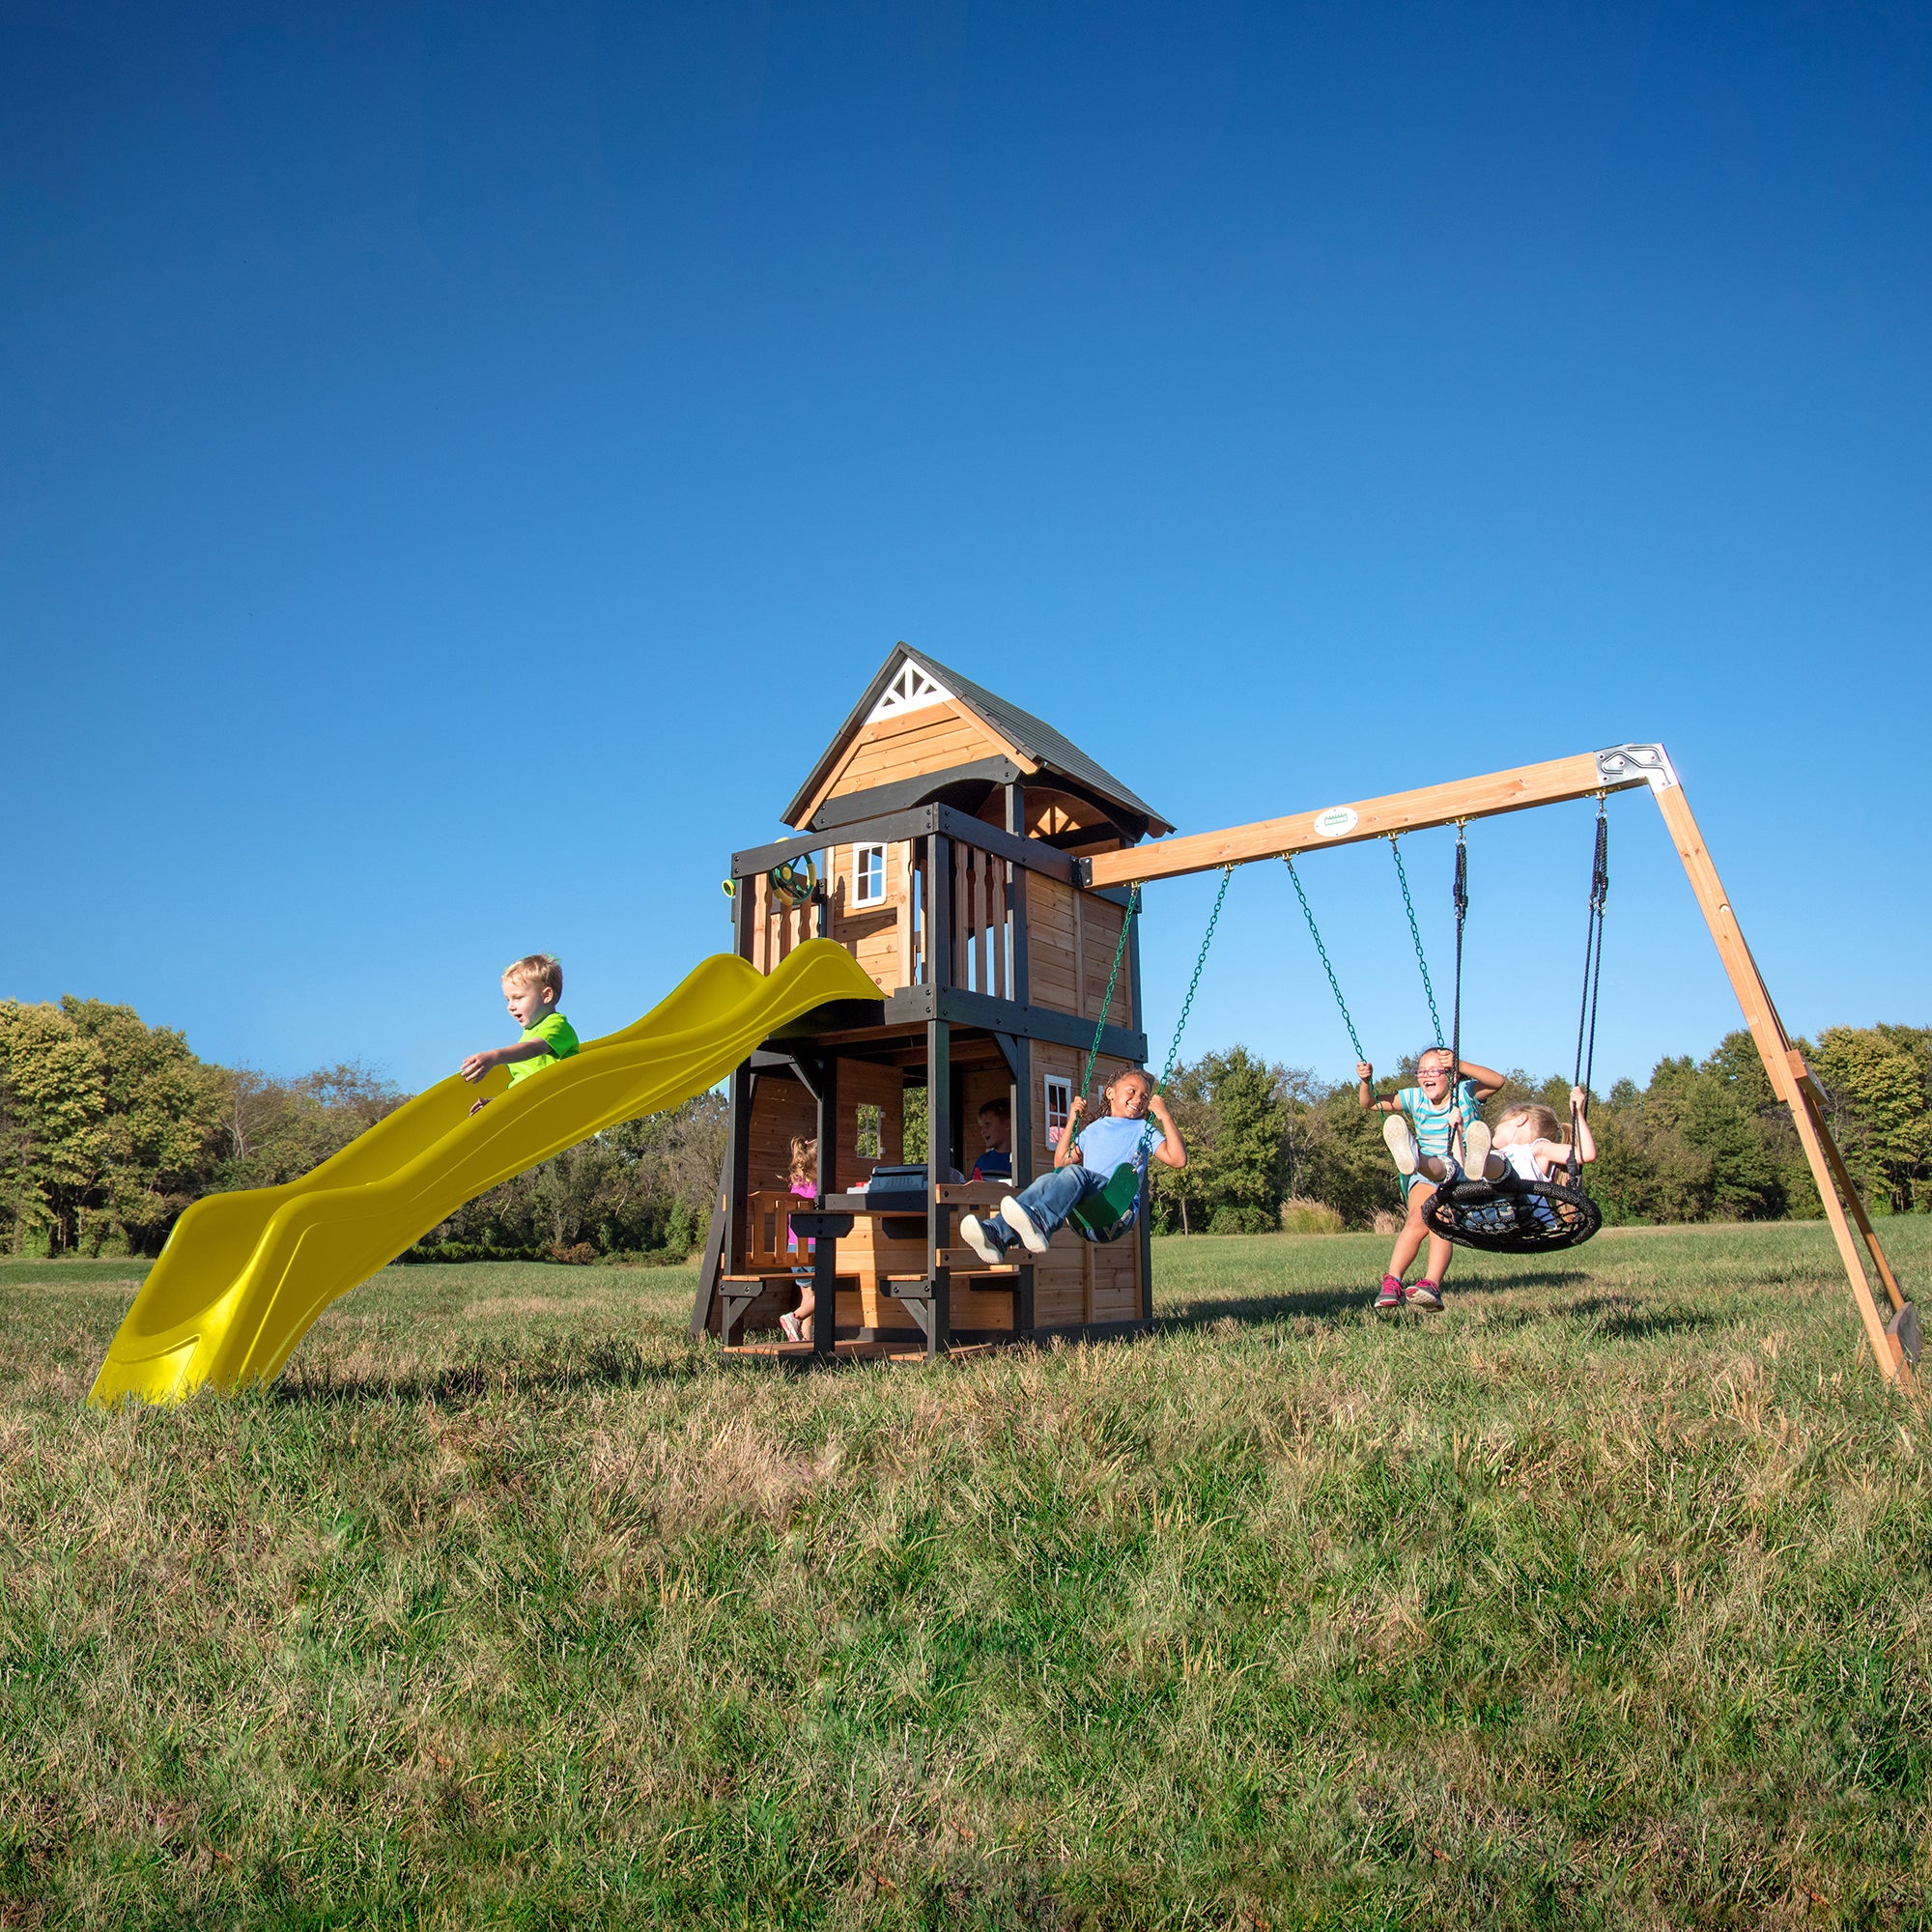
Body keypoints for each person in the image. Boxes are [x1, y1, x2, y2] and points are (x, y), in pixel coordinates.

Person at [958, 1068, 1184, 1261]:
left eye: (1145, 1097)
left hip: (1116, 1208)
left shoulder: (1143, 1129)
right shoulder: (1095, 1128)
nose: (1139, 1100)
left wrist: (1165, 1116)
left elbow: (1177, 1159)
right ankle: (997, 1234)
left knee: (1077, 1174)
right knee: (1047, 1180)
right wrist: (1072, 1121)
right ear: (1111, 1093)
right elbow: (1061, 1162)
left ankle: (1043, 1222)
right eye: (1132, 1092)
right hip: (1087, 1211)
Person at [1356, 1046, 1505, 1312]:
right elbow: (1369, 1103)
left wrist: (1461, 1064)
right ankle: (1393, 1282)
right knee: (1417, 1218)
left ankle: (1431, 1285)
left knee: (1442, 1221)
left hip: (1462, 1172)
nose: (1426, 1077)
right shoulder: (1414, 1097)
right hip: (1425, 1174)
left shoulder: (1465, 1093)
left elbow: (1497, 1081)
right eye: (1421, 1072)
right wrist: (1366, 1082)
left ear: (1450, 1074)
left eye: (1434, 1071)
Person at [461, 954, 580, 1116]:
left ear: (546, 996)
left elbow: (534, 1049)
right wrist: (499, 1103)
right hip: (531, 1106)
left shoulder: (556, 1025)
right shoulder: (528, 1034)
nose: (510, 1007)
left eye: (517, 998)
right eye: (507, 1000)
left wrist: (496, 1056)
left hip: (554, 1104)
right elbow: (524, 1081)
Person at [1476, 1092, 1597, 1202]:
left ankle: (1485, 1162)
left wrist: (1578, 1113)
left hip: (1524, 1210)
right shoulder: (1500, 1152)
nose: (1495, 1128)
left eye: (1500, 1123)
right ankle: (1475, 1163)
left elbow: (1586, 1154)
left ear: (1520, 1119)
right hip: (1492, 1212)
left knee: (1499, 1164)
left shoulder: (1537, 1149)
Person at [779, 1137, 818, 1343]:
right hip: (813, 1247)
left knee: (807, 1296)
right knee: (829, 1287)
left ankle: (802, 1338)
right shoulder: (818, 1188)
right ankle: (794, 1317)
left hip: (793, 1248)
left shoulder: (796, 1185)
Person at [969, 1097, 1013, 1183]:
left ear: (1007, 1125)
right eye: (981, 1127)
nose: (982, 1131)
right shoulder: (982, 1161)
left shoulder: (1019, 1160)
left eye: (987, 1124)